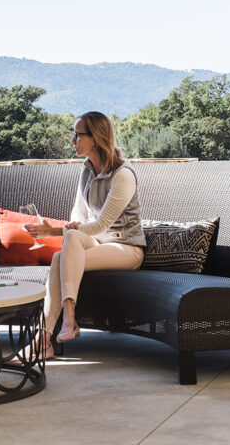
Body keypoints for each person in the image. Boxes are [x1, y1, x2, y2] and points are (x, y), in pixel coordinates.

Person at [24, 111, 146, 359]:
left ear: (96, 138)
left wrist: (52, 232)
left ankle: (50, 335)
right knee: (69, 243)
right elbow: (78, 214)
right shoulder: (87, 170)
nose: (73, 141)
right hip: (97, 244)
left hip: (127, 249)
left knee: (60, 258)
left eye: (78, 135)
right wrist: (66, 230)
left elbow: (101, 225)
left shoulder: (123, 175)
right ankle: (56, 330)